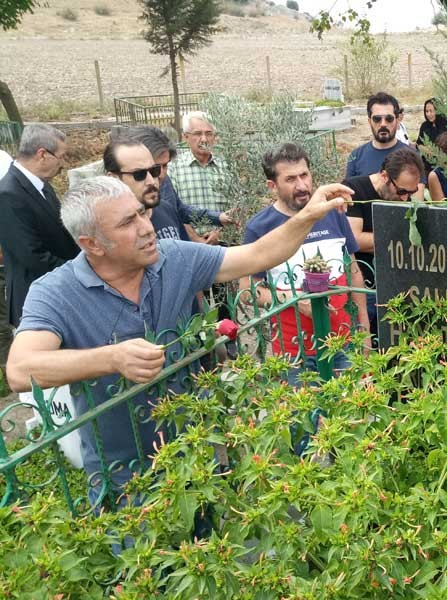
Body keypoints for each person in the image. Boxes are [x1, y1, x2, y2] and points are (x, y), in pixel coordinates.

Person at [5, 176, 353, 502]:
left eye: (141, 213)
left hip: (195, 453)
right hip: (124, 475)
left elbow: (258, 255)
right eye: (127, 223)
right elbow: (21, 370)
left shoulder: (173, 258)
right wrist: (112, 359)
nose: (146, 228)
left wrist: (307, 215)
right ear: (92, 243)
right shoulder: (55, 292)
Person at [242, 143, 369, 373]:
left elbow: (353, 271)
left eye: (304, 175)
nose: (302, 186)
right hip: (293, 351)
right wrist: (291, 298)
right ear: (272, 186)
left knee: (347, 406)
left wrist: (364, 327)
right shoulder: (259, 228)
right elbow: (248, 292)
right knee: (302, 409)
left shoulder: (333, 214)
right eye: (290, 179)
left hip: (343, 341)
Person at [0, 124, 79, 327]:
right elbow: (32, 256)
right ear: (42, 154)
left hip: (58, 290)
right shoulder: (8, 194)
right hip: (36, 301)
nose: (63, 164)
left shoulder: (42, 185)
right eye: (61, 156)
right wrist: (80, 270)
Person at [343, 148, 425, 340]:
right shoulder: (355, 190)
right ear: (384, 176)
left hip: (398, 286)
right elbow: (353, 239)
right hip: (367, 287)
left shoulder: (407, 195)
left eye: (411, 192)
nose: (406, 198)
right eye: (402, 191)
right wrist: (398, 239)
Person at [122, 126, 235, 242]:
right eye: (154, 168)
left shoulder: (165, 182)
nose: (160, 175)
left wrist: (217, 218)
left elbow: (179, 210)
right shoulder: (120, 222)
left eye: (165, 166)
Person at [345, 92, 425, 198]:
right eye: (377, 119)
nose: (383, 124)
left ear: (397, 121)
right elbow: (350, 198)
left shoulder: (412, 156)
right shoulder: (356, 156)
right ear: (369, 121)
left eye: (389, 119)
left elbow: (417, 203)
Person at [167, 111, 228, 241]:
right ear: (185, 137)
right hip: (189, 246)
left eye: (209, 133)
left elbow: (238, 205)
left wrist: (219, 234)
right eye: (198, 134)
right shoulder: (174, 167)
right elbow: (173, 209)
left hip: (224, 243)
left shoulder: (227, 165)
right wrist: (195, 238)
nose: (204, 139)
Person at [415, 98, 447, 170]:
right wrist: (423, 148)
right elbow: (418, 143)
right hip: (428, 165)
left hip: (445, 165)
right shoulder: (424, 126)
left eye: (431, 111)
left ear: (438, 111)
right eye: (426, 111)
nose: (428, 114)